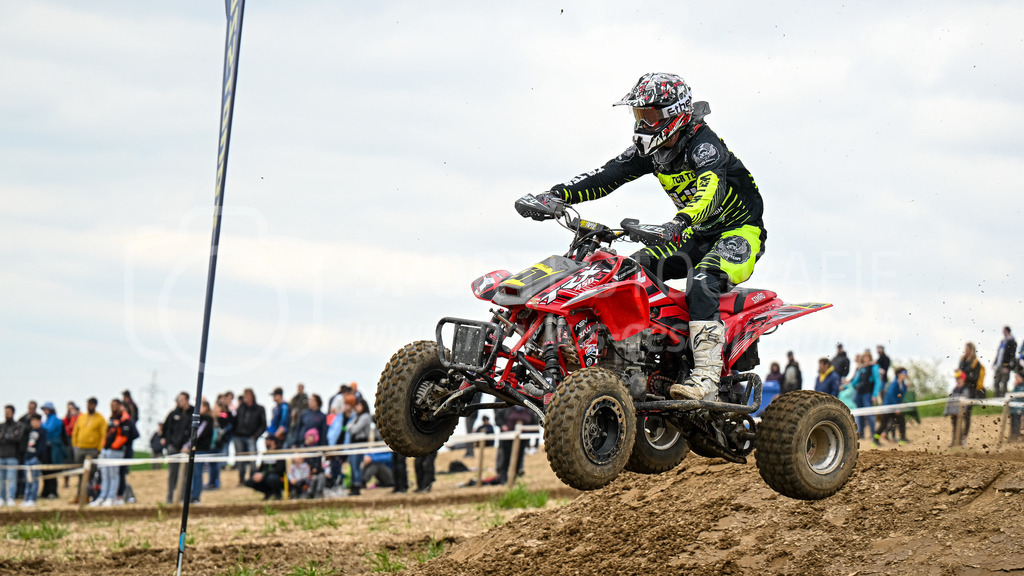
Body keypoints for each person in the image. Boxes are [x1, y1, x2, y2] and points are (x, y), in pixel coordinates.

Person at [537, 72, 765, 401]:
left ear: (676, 113)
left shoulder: (704, 146)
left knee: (701, 281)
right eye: (639, 115)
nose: (643, 123)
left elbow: (710, 192)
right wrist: (555, 195)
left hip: (738, 232)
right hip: (694, 233)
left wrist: (678, 221)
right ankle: (644, 360)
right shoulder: (651, 151)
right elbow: (606, 175)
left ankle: (706, 380)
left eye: (651, 115)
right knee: (630, 270)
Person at [91, 398, 134, 506]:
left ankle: (111, 497)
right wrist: (104, 446)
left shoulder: (125, 419)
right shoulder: (111, 418)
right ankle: (102, 496)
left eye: (115, 405)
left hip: (116, 451)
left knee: (113, 475)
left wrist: (114, 447)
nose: (112, 407)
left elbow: (124, 436)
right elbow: (107, 433)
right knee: (105, 475)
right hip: (106, 450)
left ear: (120, 406)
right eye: (111, 405)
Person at [71, 397, 106, 503]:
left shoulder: (100, 419)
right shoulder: (82, 417)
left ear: (95, 405)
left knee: (90, 475)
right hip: (80, 449)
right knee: (80, 474)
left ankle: (88, 495)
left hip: (92, 450)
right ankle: (79, 495)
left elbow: (103, 434)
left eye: (91, 404)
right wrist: (75, 444)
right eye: (88, 404)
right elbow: (75, 431)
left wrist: (99, 448)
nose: (89, 406)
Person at [161, 392, 192, 504]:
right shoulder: (173, 414)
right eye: (179, 399)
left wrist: (188, 445)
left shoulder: (193, 413)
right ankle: (170, 497)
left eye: (182, 399)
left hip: (186, 449)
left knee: (185, 475)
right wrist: (168, 443)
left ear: (187, 399)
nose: (180, 401)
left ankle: (183, 497)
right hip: (173, 448)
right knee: (172, 473)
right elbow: (166, 429)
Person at [233, 388, 267, 484]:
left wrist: (255, 436)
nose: (246, 397)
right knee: (240, 459)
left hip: (251, 437)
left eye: (247, 395)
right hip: (238, 437)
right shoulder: (240, 408)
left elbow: (263, 424)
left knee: (252, 459)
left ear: (252, 396)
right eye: (244, 395)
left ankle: (253, 478)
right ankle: (241, 479)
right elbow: (235, 421)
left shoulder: (259, 409)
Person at [185, 400, 214, 504]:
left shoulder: (207, 419)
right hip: (195, 449)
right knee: (193, 474)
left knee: (197, 473)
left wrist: (187, 445)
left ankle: (195, 496)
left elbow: (198, 433)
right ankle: (191, 495)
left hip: (201, 450)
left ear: (206, 407)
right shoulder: (198, 419)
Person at [851, 353, 882, 446]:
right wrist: (847, 386)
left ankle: (873, 432)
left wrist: (875, 394)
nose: (866, 359)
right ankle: (861, 433)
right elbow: (854, 381)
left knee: (870, 414)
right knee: (860, 414)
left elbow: (878, 381)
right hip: (859, 394)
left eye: (867, 357)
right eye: (864, 357)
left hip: (868, 393)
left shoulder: (874, 367)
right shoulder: (860, 368)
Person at [875, 367, 909, 445]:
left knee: (901, 421)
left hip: (895, 407)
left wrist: (901, 403)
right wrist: (896, 407)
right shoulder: (894, 384)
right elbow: (890, 396)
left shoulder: (903, 385)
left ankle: (902, 438)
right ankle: (875, 439)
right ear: (899, 374)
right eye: (904, 373)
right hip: (888, 407)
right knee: (884, 424)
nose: (906, 375)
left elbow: (900, 396)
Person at [245, 435, 285, 500]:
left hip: (277, 477)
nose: (265, 443)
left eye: (267, 441)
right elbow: (261, 468)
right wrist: (257, 474)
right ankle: (268, 492)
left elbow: (279, 469)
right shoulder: (266, 454)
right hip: (265, 476)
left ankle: (278, 494)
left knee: (271, 478)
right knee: (250, 481)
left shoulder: (280, 452)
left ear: (273, 442)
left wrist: (264, 474)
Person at [345, 399, 372, 495]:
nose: (356, 407)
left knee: (356, 466)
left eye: (358, 405)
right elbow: (348, 427)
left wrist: (351, 427)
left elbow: (354, 429)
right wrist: (351, 427)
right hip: (353, 444)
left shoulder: (365, 417)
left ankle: (357, 486)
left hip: (360, 444)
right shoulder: (356, 416)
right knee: (352, 465)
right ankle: (353, 486)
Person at [20, 414, 47, 507]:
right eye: (32, 421)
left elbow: (42, 447)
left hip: (35, 459)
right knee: (28, 480)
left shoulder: (42, 431)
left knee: (34, 480)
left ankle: (32, 499)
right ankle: (27, 498)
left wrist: (37, 457)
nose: (33, 423)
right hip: (28, 457)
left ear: (39, 421)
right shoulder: (31, 431)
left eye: (35, 420)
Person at [40, 402, 64, 499]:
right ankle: (45, 491)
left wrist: (40, 424)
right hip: (47, 448)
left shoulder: (55, 419)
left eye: (46, 409)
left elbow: (49, 429)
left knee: (52, 471)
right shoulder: (47, 419)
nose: (44, 411)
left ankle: (52, 492)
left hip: (53, 449)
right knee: (45, 471)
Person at [0, 406, 23, 506]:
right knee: (1, 479)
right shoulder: (1, 425)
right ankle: (2, 498)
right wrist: (11, 436)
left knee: (11, 479)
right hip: (1, 456)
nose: (6, 414)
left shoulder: (18, 425)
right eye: (5, 412)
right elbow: (12, 437)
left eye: (8, 412)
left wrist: (4, 436)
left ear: (13, 413)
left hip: (12, 456)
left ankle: (11, 498)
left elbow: (17, 439)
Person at [946, 370, 973, 447]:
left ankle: (961, 441)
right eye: (956, 379)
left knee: (962, 427)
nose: (957, 380)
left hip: (962, 412)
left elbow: (965, 402)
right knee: (955, 427)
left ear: (963, 379)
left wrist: (962, 411)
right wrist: (948, 411)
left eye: (959, 378)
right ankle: (954, 442)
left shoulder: (965, 389)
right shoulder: (954, 390)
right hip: (954, 412)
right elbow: (950, 401)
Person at [993, 327, 1017, 398]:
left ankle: (1004, 399)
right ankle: (996, 398)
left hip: (1005, 366)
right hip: (999, 365)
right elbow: (999, 353)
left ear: (1007, 331)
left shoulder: (1012, 341)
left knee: (1004, 383)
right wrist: (995, 363)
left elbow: (1012, 355)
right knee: (996, 382)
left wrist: (1008, 366)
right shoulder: (1003, 341)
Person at [61, 402, 79, 490]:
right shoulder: (66, 416)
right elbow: (65, 426)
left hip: (76, 441)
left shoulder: (78, 416)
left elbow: (73, 427)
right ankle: (66, 482)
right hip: (68, 441)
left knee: (77, 462)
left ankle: (79, 482)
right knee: (67, 462)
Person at [285, 383, 309, 449]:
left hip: (301, 421)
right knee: (291, 437)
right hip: (293, 421)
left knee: (298, 437)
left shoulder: (306, 399)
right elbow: (290, 407)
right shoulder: (294, 398)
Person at [1008, 371, 1024, 442]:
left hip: (1020, 409)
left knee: (1017, 419)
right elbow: (1011, 396)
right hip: (1014, 408)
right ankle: (1014, 435)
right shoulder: (1016, 387)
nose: (1015, 379)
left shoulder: (1022, 387)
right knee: (1013, 421)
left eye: (1017, 377)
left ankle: (1016, 435)